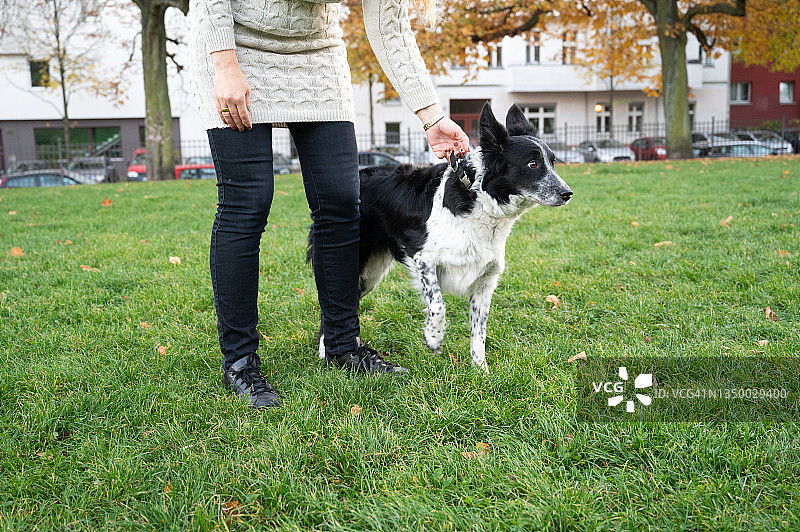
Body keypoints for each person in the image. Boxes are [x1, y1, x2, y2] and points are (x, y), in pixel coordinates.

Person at [189, 0, 470, 409]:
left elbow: (390, 30)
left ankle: (343, 345)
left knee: (341, 200)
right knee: (247, 202)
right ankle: (241, 360)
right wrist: (225, 65)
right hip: (234, 44)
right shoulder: (227, 56)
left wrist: (431, 117)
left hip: (317, 52)